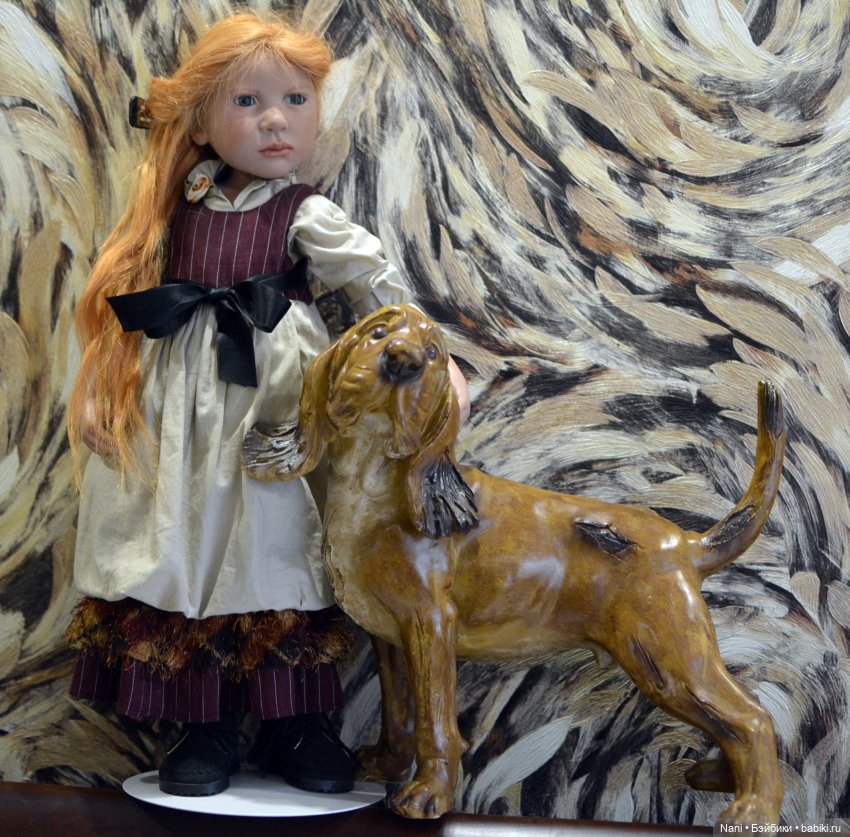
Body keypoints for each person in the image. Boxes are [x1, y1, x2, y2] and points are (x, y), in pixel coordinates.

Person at [66, 11, 469, 798]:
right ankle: (206, 724)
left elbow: (378, 289)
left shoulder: (304, 212)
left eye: (294, 99)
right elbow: (123, 302)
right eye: (247, 102)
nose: (276, 120)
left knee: (281, 546)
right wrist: (102, 389)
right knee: (184, 542)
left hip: (279, 408)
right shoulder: (174, 206)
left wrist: (435, 365)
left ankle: (298, 725)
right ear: (202, 122)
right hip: (180, 415)